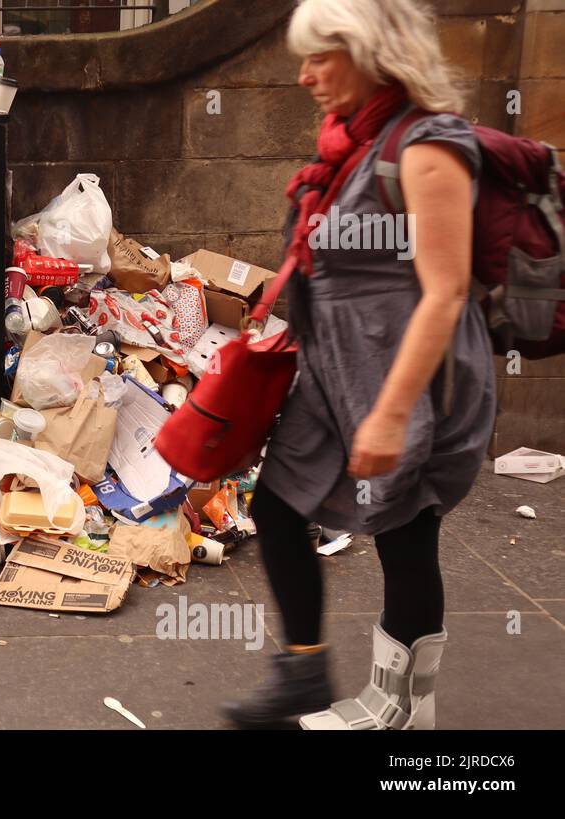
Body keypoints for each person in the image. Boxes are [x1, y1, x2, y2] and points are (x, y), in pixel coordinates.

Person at [221, 0, 496, 730]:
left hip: (407, 373)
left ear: (371, 51)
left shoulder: (428, 145)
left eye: (320, 56)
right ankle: (305, 673)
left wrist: (394, 411)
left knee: (404, 532)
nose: (306, 74)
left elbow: (445, 292)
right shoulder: (350, 145)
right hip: (337, 370)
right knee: (277, 505)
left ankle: (405, 711)